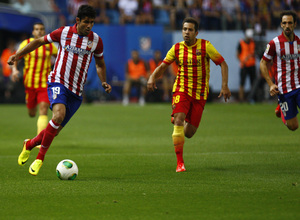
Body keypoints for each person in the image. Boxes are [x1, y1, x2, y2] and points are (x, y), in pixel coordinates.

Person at [7, 5, 112, 176]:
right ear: (77, 20)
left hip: (76, 93)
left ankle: (29, 144)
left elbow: (100, 64)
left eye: (92, 23)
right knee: (57, 116)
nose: (89, 26)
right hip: (58, 82)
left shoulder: (96, 41)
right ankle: (40, 158)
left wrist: (104, 81)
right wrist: (18, 55)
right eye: (86, 22)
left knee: (53, 131)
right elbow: (39, 41)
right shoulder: (63, 32)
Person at [147, 17, 231, 172]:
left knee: (189, 133)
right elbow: (163, 66)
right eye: (184, 29)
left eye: (190, 30)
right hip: (182, 89)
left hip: (199, 94)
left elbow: (223, 64)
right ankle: (180, 163)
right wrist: (152, 77)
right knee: (179, 120)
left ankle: (178, 116)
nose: (186, 32)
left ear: (196, 32)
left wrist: (224, 85)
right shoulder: (176, 48)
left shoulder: (206, 46)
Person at [12, 22, 58, 142]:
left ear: (44, 31)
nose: (39, 31)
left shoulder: (50, 46)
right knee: (32, 113)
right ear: (33, 32)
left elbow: (60, 57)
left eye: (42, 29)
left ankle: (38, 141)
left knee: (43, 109)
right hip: (30, 84)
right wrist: (14, 70)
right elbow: (16, 57)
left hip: (44, 83)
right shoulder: (26, 44)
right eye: (37, 29)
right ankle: (33, 109)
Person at [260, 10, 300, 131]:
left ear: (295, 24)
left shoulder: (299, 43)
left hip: (299, 86)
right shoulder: (274, 43)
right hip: (284, 90)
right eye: (284, 23)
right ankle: (282, 111)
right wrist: (271, 84)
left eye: (290, 23)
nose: (287, 26)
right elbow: (263, 63)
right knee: (293, 127)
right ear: (281, 25)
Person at [236, 28, 256, 102]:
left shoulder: (253, 42)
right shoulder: (241, 43)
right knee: (242, 82)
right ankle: (241, 99)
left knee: (253, 82)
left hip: (252, 65)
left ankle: (252, 97)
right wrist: (242, 61)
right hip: (244, 65)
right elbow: (237, 54)